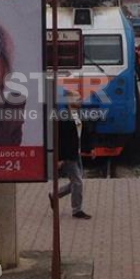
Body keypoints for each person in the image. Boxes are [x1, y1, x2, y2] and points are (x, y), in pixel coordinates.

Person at [52, 88, 91, 219]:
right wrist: (59, 158)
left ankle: (55, 195)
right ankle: (77, 210)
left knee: (75, 182)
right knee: (78, 182)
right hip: (68, 155)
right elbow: (60, 140)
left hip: (76, 153)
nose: (80, 100)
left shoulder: (78, 115)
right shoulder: (63, 118)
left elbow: (82, 134)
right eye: (77, 98)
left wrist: (89, 149)